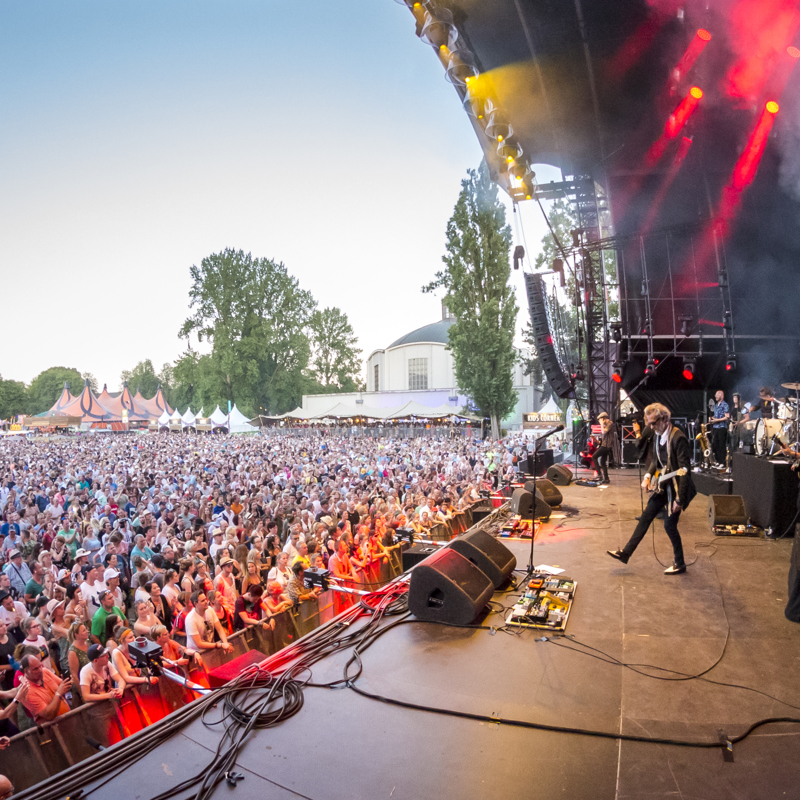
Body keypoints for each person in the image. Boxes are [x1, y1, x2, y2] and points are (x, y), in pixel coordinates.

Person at [608, 403, 696, 574]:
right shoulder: (658, 435)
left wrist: (680, 499)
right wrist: (648, 477)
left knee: (669, 526)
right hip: (663, 486)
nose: (650, 427)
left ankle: (680, 563)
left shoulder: (678, 438)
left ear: (664, 419)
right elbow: (656, 461)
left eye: (653, 423)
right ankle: (626, 553)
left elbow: (685, 471)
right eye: (649, 423)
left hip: (677, 488)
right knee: (646, 516)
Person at [18, 655, 71, 723]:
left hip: (68, 717)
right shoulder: (26, 691)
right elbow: (49, 715)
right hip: (54, 728)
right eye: (35, 669)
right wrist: (59, 693)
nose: (40, 670)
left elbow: (63, 686)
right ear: (26, 671)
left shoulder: (45, 672)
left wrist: (68, 682)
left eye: (40, 666)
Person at [67, 621, 91, 705]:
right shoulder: (73, 652)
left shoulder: (88, 643)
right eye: (84, 630)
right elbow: (74, 676)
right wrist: (82, 694)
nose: (87, 631)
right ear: (76, 635)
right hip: (83, 686)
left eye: (86, 629)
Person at [592, 413, 619, 484]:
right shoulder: (605, 425)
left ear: (603, 418)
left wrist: (601, 424)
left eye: (600, 420)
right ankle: (606, 479)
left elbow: (604, 432)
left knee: (594, 457)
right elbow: (603, 437)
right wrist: (596, 441)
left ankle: (600, 475)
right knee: (602, 463)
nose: (600, 422)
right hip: (604, 445)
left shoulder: (610, 423)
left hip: (606, 446)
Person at [710, 390, 730, 467]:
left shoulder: (725, 405)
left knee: (722, 445)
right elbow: (715, 416)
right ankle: (717, 460)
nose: (715, 396)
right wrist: (712, 419)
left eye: (717, 395)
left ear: (721, 396)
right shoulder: (715, 405)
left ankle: (722, 462)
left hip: (722, 427)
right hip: (715, 427)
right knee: (715, 444)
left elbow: (727, 417)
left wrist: (716, 420)